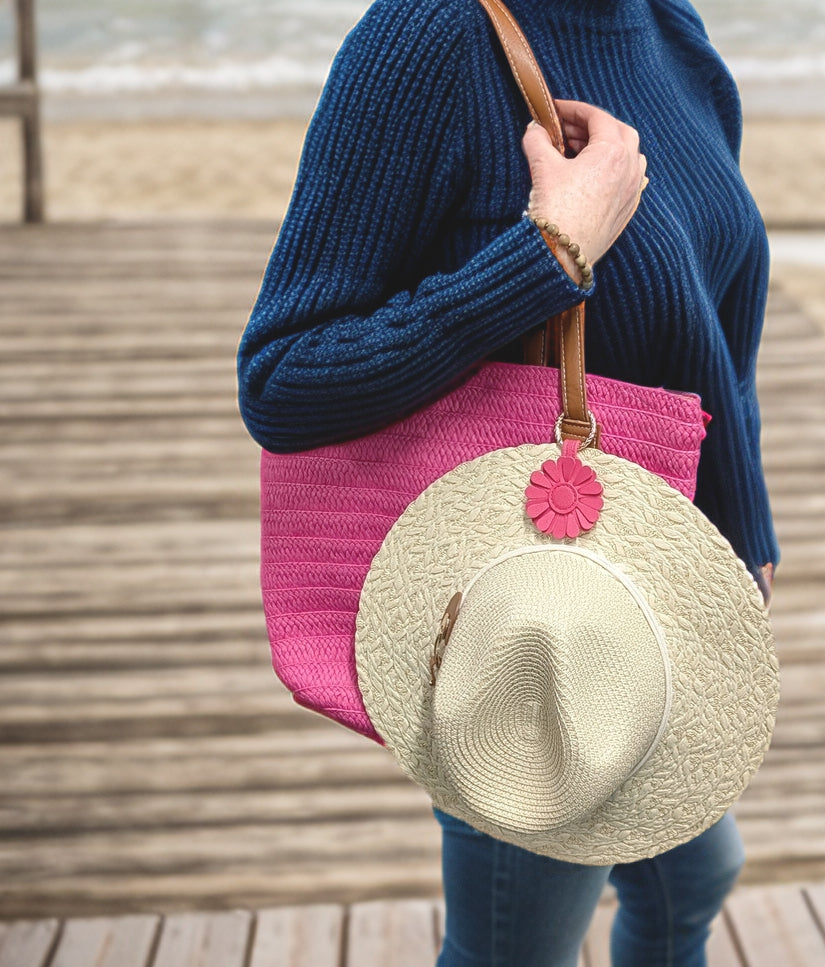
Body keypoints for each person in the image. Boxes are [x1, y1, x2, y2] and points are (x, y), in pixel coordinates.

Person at [237, 0, 779, 962]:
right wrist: (549, 253)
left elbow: (713, 329)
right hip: (526, 616)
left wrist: (747, 536)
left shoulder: (667, 23)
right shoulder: (428, 39)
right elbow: (284, 377)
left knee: (693, 878)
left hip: (653, 581)